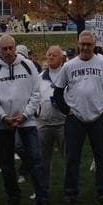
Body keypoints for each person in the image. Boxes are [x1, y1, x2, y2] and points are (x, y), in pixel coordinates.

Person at [54, 30, 103, 205]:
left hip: (98, 117)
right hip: (76, 118)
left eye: (89, 44)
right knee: (72, 157)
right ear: (78, 44)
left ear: (94, 45)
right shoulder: (69, 66)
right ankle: (70, 192)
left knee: (102, 157)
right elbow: (58, 92)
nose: (85, 47)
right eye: (82, 44)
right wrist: (67, 110)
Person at [0, 34, 50, 205]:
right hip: (4, 123)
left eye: (10, 48)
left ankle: (42, 196)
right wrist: (3, 117)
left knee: (35, 158)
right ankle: (13, 196)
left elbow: (36, 93)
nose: (8, 52)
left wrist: (25, 115)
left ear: (15, 48)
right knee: (6, 163)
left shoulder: (28, 66)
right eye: (4, 49)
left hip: (27, 120)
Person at [37, 45, 66, 182]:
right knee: (43, 160)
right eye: (49, 55)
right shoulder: (40, 77)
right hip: (44, 123)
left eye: (54, 55)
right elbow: (35, 96)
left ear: (61, 58)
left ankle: (70, 188)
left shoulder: (66, 75)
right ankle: (43, 189)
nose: (51, 57)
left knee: (68, 157)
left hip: (63, 123)